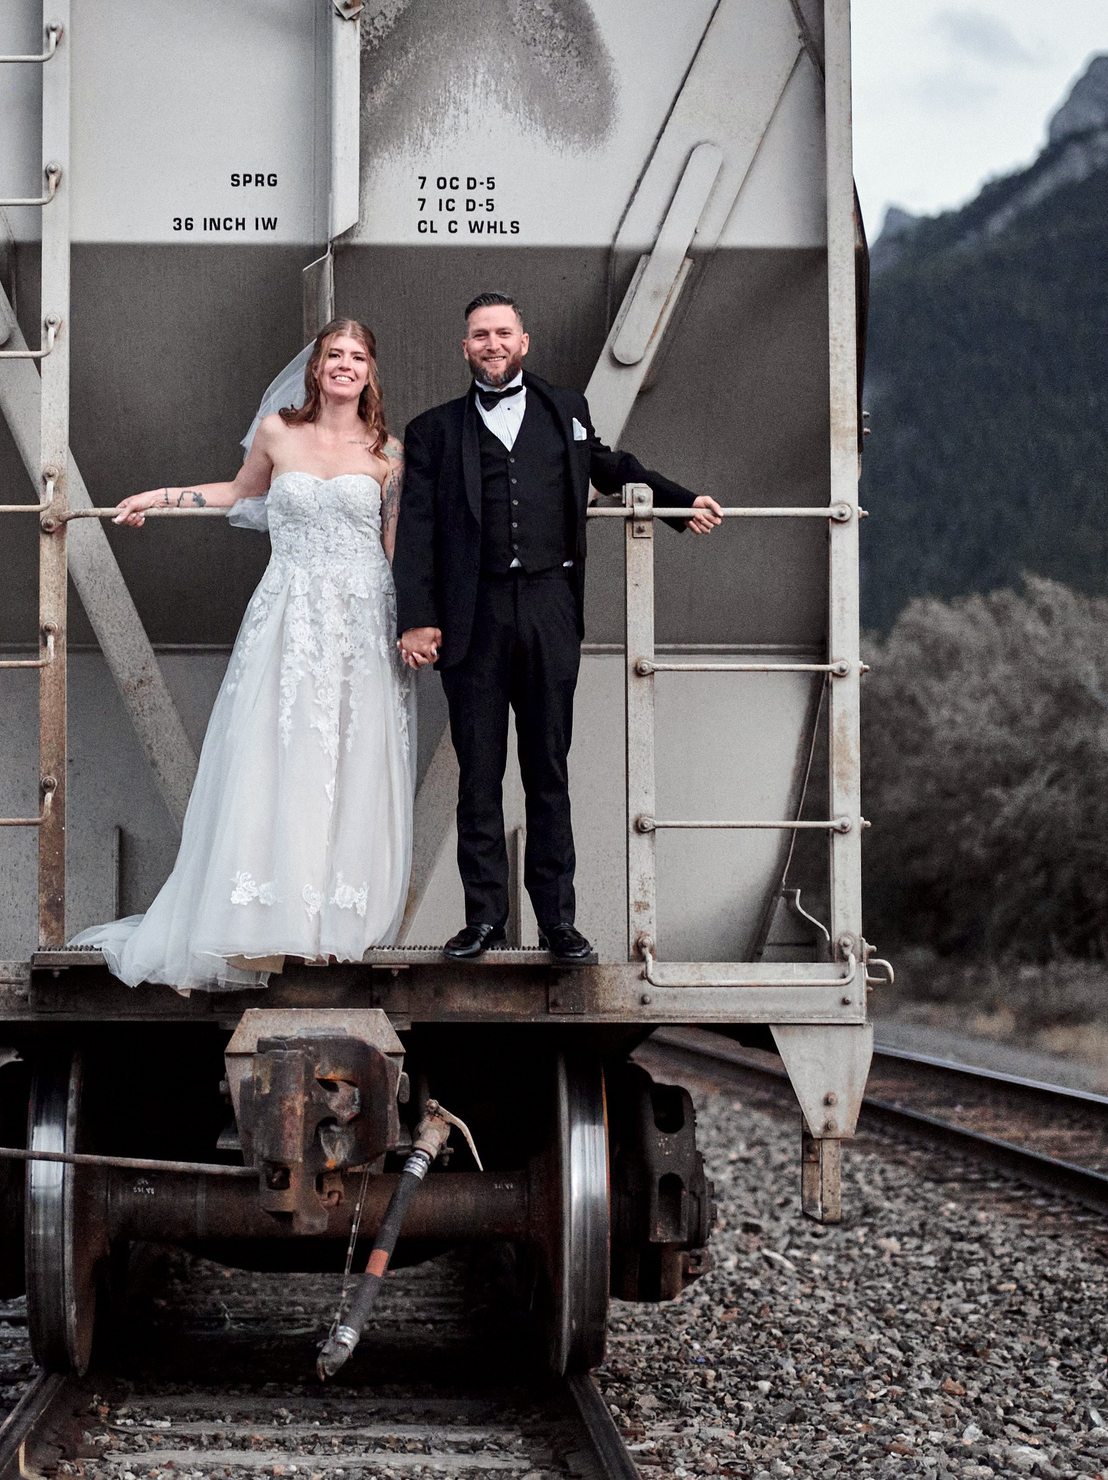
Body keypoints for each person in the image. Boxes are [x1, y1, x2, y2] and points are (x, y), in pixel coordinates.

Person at [69, 318, 416, 991]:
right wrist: (159, 498)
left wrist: (416, 623)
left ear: (370, 371)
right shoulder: (278, 433)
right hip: (287, 612)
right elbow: (238, 494)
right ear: (316, 368)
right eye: (333, 355)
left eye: (357, 356)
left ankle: (334, 927)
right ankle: (269, 919)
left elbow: (395, 548)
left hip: (360, 621)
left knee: (350, 756)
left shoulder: (388, 453)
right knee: (278, 753)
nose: (344, 364)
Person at [391, 292, 721, 966]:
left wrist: (679, 503)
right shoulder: (431, 431)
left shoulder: (565, 408)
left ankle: (559, 924)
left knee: (548, 770)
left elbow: (613, 467)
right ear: (465, 348)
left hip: (548, 606)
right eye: (479, 334)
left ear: (524, 340)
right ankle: (482, 918)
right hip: (472, 614)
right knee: (479, 772)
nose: (491, 343)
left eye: (502, 332)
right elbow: (416, 531)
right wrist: (418, 618)